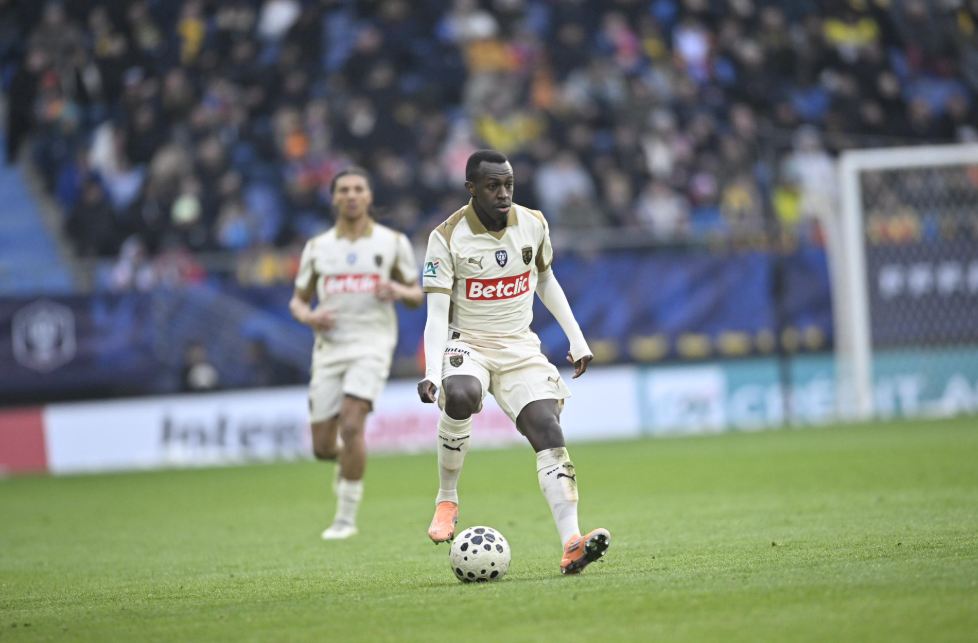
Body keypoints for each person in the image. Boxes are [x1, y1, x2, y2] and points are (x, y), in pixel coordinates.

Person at [417, 149, 611, 575]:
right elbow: (436, 313)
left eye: (508, 184)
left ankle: (572, 543)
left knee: (548, 428)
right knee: (461, 395)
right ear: (471, 188)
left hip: (519, 346)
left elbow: (546, 280)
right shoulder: (445, 237)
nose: (503, 193)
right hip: (467, 342)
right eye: (492, 186)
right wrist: (432, 371)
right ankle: (447, 498)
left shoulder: (534, 223)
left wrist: (577, 338)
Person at [291, 167, 422, 540]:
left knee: (352, 425)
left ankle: (345, 519)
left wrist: (398, 291)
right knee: (322, 447)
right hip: (330, 349)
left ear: (369, 196)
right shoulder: (317, 247)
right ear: (334, 198)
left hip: (373, 344)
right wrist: (310, 316)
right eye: (344, 189)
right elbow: (297, 301)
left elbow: (416, 295)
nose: (351, 195)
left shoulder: (392, 242)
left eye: (358, 189)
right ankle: (350, 458)